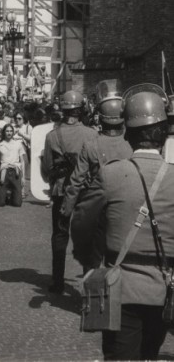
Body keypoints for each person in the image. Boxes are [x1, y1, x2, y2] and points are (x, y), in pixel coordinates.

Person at [71, 84, 174, 360]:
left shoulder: (111, 175)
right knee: (150, 353)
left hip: (121, 289)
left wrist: (89, 263)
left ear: (129, 134)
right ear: (164, 132)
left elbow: (81, 223)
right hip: (165, 291)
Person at [42, 90, 98, 294]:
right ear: (81, 109)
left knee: (59, 235)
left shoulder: (52, 136)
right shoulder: (92, 134)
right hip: (86, 191)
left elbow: (47, 167)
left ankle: (57, 283)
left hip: (61, 191)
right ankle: (89, 284)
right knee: (87, 237)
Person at [63, 81, 133, 222]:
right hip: (129, 203)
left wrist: (67, 209)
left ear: (100, 117)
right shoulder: (132, 144)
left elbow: (76, 181)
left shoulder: (91, 145)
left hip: (100, 204)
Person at [0, 124, 25, 207]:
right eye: (7, 131)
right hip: (4, 172)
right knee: (0, 203)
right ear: (4, 132)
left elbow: (22, 161)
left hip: (16, 172)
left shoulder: (18, 144)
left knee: (17, 204)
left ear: (13, 132)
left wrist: (23, 177)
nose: (9, 133)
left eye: (11, 131)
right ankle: (5, 196)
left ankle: (13, 196)